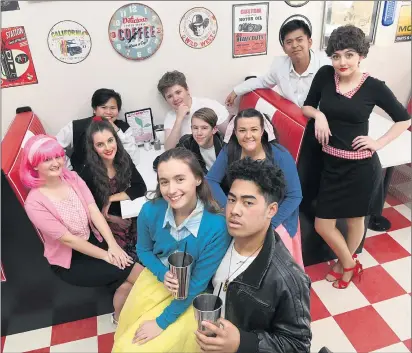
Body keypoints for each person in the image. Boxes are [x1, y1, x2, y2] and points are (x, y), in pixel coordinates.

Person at [302, 25, 411, 289]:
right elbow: (307, 106)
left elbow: (404, 119)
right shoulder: (326, 76)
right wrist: (319, 115)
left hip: (361, 168)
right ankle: (350, 263)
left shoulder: (374, 87)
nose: (342, 62)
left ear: (361, 55)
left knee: (354, 221)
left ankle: (345, 265)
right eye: (337, 55)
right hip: (331, 164)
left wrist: (377, 143)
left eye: (349, 55)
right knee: (322, 224)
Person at [112, 148, 231, 352]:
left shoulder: (217, 226)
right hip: (156, 280)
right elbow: (143, 250)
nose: (171, 189)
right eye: (164, 181)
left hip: (193, 296)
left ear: (198, 179)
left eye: (180, 179)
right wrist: (162, 273)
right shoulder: (150, 210)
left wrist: (161, 323)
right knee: (125, 341)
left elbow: (196, 284)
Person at [20, 134, 144, 324]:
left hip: (94, 241)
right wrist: (108, 256)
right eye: (46, 160)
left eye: (58, 156)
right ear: (34, 165)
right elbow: (68, 239)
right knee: (137, 274)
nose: (56, 163)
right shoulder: (34, 203)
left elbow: (94, 210)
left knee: (128, 279)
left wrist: (113, 245)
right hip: (71, 261)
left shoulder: (72, 178)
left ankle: (119, 319)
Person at [196, 157, 312, 353]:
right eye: (232, 199)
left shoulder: (288, 278)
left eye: (248, 203)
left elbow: (298, 345)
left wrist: (242, 343)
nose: (234, 210)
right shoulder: (220, 240)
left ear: (271, 210)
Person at [206, 108, 304, 267]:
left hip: (276, 216)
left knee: (273, 266)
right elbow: (210, 180)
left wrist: (270, 225)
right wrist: (228, 208)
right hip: (242, 212)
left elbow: (295, 196)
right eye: (242, 130)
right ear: (235, 133)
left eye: (254, 129)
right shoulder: (231, 151)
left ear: (263, 131)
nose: (248, 135)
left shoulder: (280, 154)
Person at [80, 117, 147, 262]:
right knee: (126, 260)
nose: (108, 147)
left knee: (149, 246)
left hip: (125, 212)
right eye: (100, 144)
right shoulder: (88, 172)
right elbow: (90, 211)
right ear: (93, 148)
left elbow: (140, 187)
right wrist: (114, 219)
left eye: (110, 140)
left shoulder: (122, 158)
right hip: (105, 223)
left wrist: (110, 198)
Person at [225, 19, 331, 108]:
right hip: (293, 123)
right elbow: (262, 81)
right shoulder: (280, 65)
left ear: (309, 42)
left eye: (299, 40)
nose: (294, 45)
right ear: (284, 48)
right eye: (289, 42)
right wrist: (236, 91)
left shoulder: (326, 67)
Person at [56, 88, 138, 172]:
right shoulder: (76, 127)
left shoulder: (124, 128)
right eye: (103, 107)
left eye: (113, 108)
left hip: (116, 177)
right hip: (83, 180)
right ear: (94, 109)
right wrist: (69, 170)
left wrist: (117, 130)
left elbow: (133, 159)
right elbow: (54, 148)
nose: (108, 112)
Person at [158, 70, 230, 150]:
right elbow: (168, 149)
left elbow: (230, 136)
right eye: (169, 96)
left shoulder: (209, 105)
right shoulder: (170, 116)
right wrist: (179, 118)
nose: (175, 98)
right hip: (189, 157)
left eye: (178, 92)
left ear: (187, 90)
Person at [177, 107, 224, 173]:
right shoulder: (186, 142)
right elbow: (167, 158)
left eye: (204, 128)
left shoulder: (225, 145)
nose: (199, 133)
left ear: (214, 129)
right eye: (195, 128)